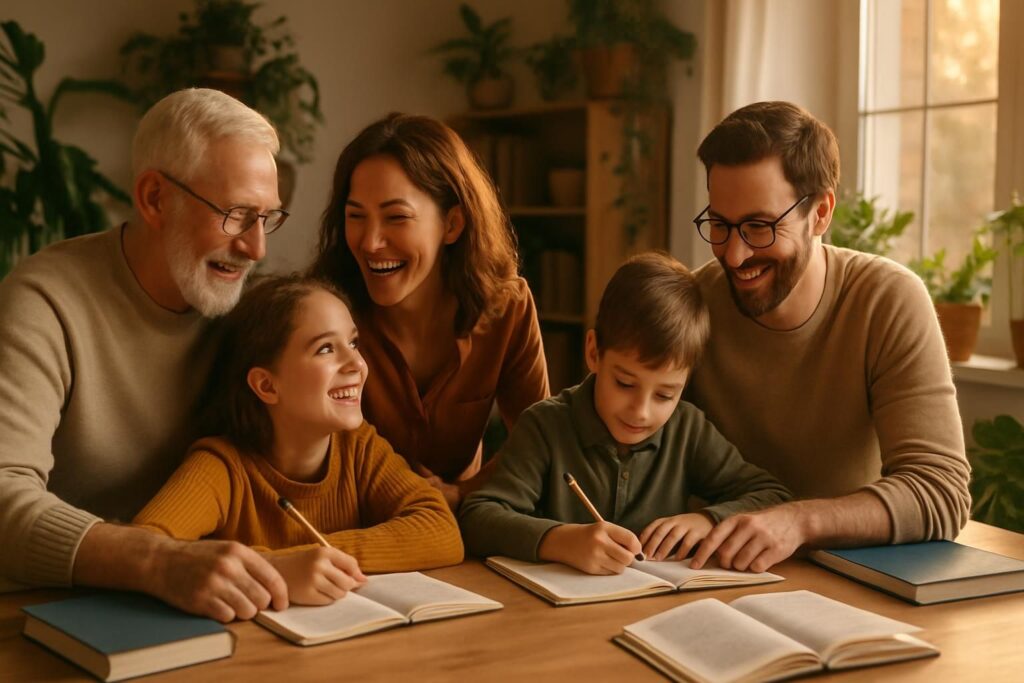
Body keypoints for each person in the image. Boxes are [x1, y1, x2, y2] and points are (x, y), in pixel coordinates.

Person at [0, 88, 294, 621]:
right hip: (49, 610)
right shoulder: (43, 302)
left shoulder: (249, 309)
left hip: (210, 604)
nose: (256, 249)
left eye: (267, 218)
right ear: (155, 198)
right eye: (235, 215)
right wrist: (159, 560)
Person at [685, 101, 971, 574]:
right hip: (708, 573)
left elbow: (939, 490)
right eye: (719, 224)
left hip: (846, 577)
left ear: (820, 213)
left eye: (759, 227)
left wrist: (798, 521)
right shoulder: (692, 302)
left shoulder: (887, 300)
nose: (734, 255)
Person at [133, 275, 464, 605]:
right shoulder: (221, 468)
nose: (357, 365)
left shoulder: (360, 447)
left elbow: (441, 531)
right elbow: (142, 548)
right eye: (325, 349)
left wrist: (316, 557)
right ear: (266, 386)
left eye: (353, 343)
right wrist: (278, 569)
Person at [459, 253, 792, 574]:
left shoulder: (687, 430)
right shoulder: (545, 426)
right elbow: (478, 518)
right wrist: (559, 541)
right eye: (624, 383)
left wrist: (709, 519)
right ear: (594, 352)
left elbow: (773, 497)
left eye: (665, 394)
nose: (641, 412)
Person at [311, 113, 549, 510]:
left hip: (458, 523)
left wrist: (464, 494)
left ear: (452, 223)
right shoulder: (323, 313)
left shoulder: (508, 306)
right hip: (351, 523)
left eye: (396, 217)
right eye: (355, 216)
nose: (370, 242)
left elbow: (539, 437)